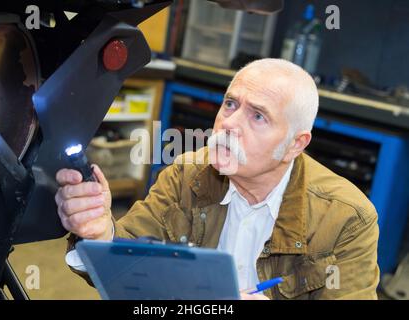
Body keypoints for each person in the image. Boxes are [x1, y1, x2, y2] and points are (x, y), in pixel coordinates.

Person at [55, 58, 380, 300]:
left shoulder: (346, 217)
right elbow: (127, 274)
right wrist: (99, 234)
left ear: (295, 144)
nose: (229, 124)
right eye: (230, 104)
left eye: (258, 116)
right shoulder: (187, 175)